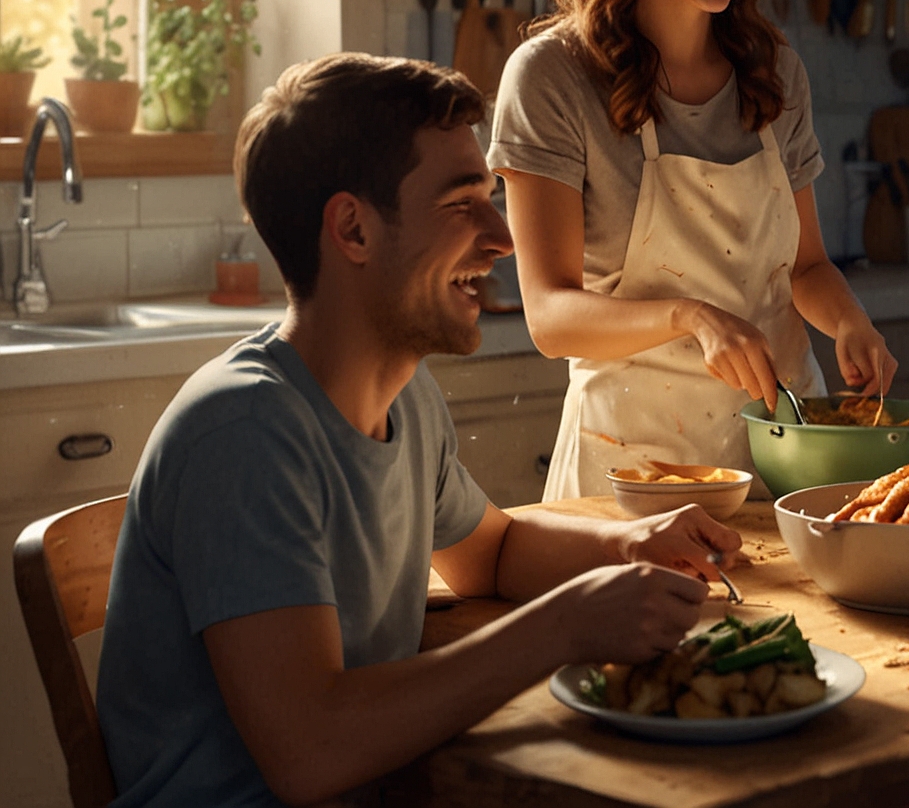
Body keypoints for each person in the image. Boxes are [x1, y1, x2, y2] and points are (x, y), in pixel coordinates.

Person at [96, 55, 738, 807]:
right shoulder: (246, 434)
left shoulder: (405, 396)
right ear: (353, 229)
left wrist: (629, 545)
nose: (502, 238)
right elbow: (311, 751)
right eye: (464, 203)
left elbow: (491, 554)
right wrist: (562, 626)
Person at [491, 0, 895, 498]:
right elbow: (551, 316)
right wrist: (691, 316)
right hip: (634, 469)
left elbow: (806, 267)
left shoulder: (774, 73)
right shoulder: (551, 76)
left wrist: (851, 322)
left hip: (785, 456)